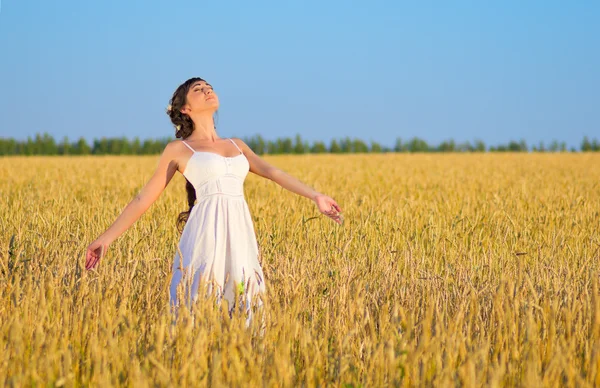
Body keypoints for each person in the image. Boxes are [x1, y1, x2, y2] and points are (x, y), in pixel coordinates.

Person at [85, 77, 343, 326]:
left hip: (240, 233)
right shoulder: (178, 150)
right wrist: (105, 239)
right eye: (199, 89)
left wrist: (316, 196)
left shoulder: (237, 144)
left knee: (245, 300)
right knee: (201, 304)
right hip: (205, 234)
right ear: (185, 108)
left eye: (209, 87)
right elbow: (143, 198)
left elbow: (274, 173)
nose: (208, 90)